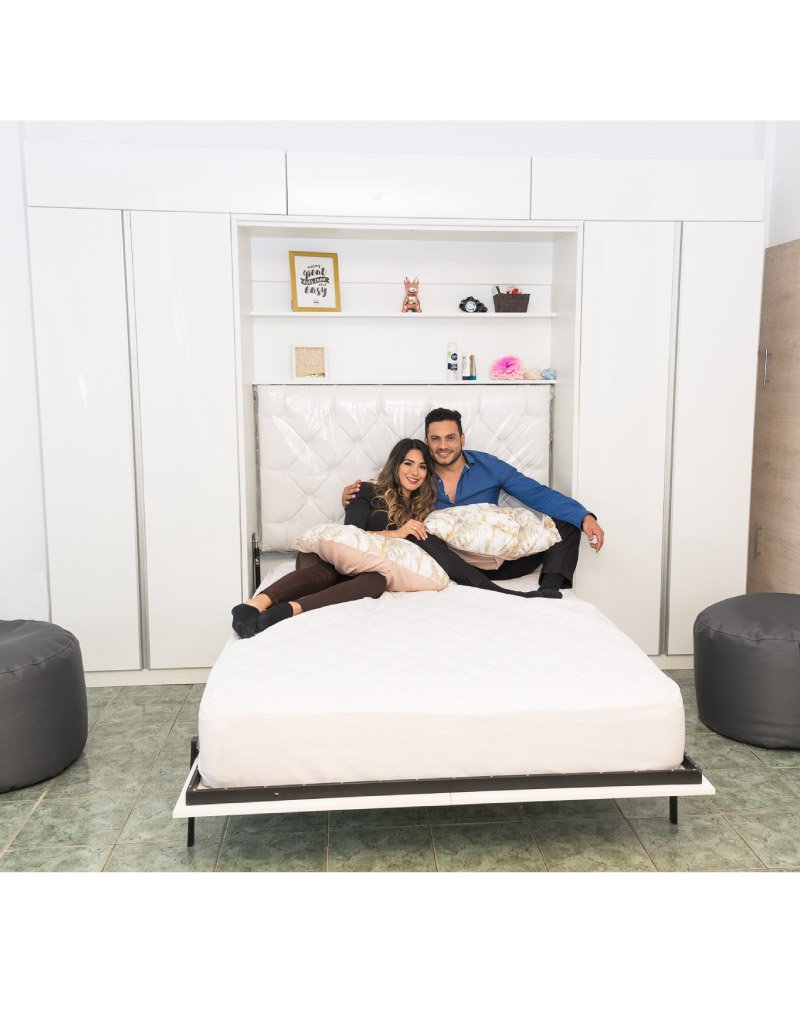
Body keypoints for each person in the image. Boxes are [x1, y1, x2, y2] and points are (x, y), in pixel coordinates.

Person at [231, 437, 543, 640]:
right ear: (395, 465)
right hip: (330, 554)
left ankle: (290, 609)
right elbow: (352, 534)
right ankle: (253, 605)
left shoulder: (424, 511)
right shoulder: (366, 491)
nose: (415, 472)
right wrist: (397, 532)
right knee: (324, 573)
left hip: (366, 568)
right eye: (408, 463)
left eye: (422, 467)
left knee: (376, 582)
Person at [342, 407, 604, 595]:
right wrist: (356, 500)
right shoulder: (419, 473)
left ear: (462, 439)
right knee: (425, 537)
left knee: (566, 522)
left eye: (450, 438)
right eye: (435, 439)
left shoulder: (489, 466)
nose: (443, 446)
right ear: (427, 442)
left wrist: (584, 517)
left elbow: (535, 493)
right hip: (453, 564)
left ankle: (549, 589)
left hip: (504, 561)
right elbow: (389, 495)